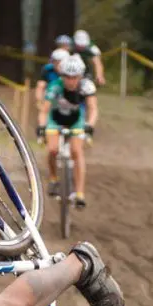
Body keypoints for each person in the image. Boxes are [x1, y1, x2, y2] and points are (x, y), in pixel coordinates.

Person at [37, 54, 98, 208]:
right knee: (52, 150)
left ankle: (80, 193)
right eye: (67, 77)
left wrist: (90, 125)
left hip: (76, 120)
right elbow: (44, 110)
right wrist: (42, 127)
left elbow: (93, 109)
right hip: (55, 119)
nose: (71, 81)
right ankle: (52, 178)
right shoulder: (54, 86)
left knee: (77, 151)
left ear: (80, 76)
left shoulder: (87, 86)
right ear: (61, 75)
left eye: (75, 77)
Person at [35, 47, 68, 111]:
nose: (57, 64)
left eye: (59, 62)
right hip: (52, 100)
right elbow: (40, 86)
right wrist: (39, 102)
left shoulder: (72, 72)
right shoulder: (47, 70)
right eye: (55, 61)